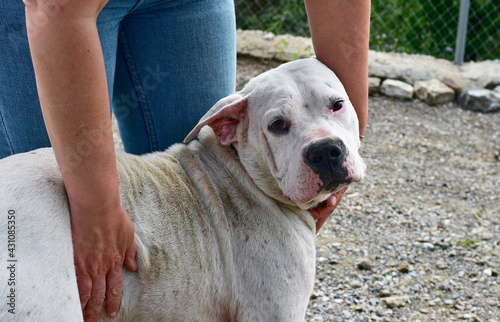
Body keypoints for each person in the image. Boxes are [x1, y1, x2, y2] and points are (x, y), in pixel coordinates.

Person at [0, 0, 369, 320]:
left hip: (184, 5)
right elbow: (57, 7)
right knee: (72, 244)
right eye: (278, 124)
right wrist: (95, 209)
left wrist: (349, 148)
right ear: (227, 126)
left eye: (335, 106)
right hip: (54, 14)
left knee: (192, 241)